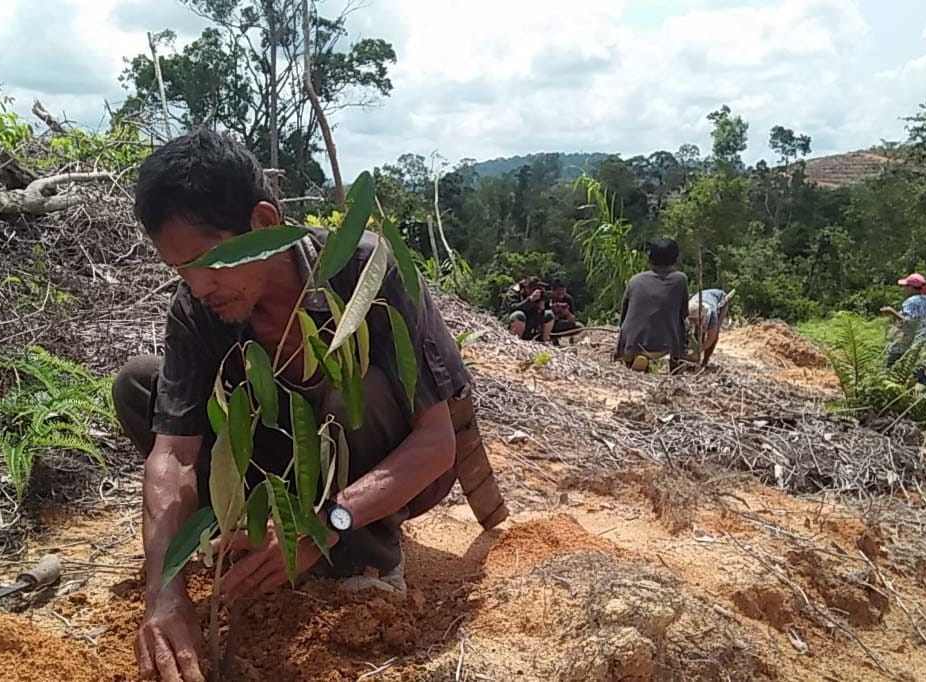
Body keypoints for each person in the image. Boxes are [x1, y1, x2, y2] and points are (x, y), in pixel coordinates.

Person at [113, 129, 475, 682]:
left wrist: (324, 522)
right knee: (140, 386)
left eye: (210, 260)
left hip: (384, 466)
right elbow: (174, 455)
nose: (197, 284)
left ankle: (367, 558)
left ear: (262, 224)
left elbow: (436, 442)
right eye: (180, 268)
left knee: (356, 387)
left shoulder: (361, 274)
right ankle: (255, 528)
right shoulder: (199, 307)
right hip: (282, 463)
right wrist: (166, 593)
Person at [615, 238, 689, 373]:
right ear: (675, 259)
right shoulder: (680, 279)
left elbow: (623, 316)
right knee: (682, 323)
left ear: (650, 258)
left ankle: (632, 358)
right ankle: (675, 363)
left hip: (630, 343)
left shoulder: (635, 280)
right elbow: (683, 313)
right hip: (663, 346)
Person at [880, 272, 926, 387]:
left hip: (911, 342)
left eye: (906, 286)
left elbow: (909, 323)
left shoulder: (911, 302)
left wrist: (891, 311)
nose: (904, 289)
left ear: (912, 288)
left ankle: (891, 393)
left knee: (891, 364)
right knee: (916, 370)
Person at [686, 288, 733, 368]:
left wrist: (697, 352)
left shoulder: (712, 314)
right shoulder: (688, 309)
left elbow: (712, 338)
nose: (692, 321)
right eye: (691, 319)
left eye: (694, 319)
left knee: (715, 332)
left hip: (720, 298)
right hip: (701, 297)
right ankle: (696, 358)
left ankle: (705, 361)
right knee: (698, 331)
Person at [549, 279, 583, 343]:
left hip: (561, 324)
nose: (561, 295)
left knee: (579, 326)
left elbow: (572, 319)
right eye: (558, 293)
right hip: (549, 324)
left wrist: (566, 312)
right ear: (553, 291)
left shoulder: (568, 299)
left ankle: (559, 337)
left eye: (563, 293)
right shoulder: (548, 298)